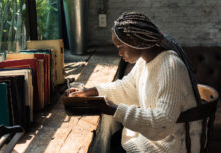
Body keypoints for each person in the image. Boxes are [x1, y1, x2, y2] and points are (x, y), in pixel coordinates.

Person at [67, 12, 204, 153]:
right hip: (156, 139)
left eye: (121, 47)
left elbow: (162, 123)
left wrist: (116, 110)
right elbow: (127, 88)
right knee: (112, 141)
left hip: (174, 146)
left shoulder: (170, 66)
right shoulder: (144, 62)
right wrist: (93, 91)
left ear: (136, 42)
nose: (119, 53)